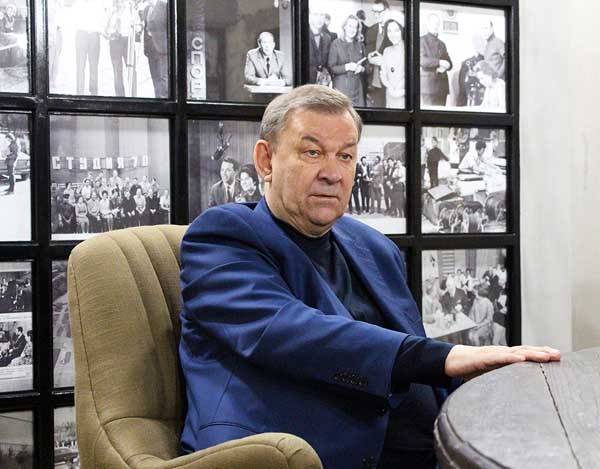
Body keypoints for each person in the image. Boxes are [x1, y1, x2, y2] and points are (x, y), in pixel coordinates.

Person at [179, 84, 560, 469]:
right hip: (305, 455)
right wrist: (447, 357)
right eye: (312, 152)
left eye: (345, 156)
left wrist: (498, 393)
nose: (332, 174)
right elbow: (290, 332)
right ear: (266, 161)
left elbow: (422, 366)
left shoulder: (374, 246)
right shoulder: (222, 237)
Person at [328, 15, 366, 107]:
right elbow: (331, 68)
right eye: (350, 26)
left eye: (355, 27)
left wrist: (362, 69)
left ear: (358, 29)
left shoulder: (360, 45)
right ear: (344, 27)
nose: (352, 29)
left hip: (357, 88)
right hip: (341, 88)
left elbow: (367, 66)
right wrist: (347, 67)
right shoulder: (336, 44)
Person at [420, 13, 452, 106]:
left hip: (442, 86)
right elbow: (422, 60)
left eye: (437, 23)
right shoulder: (421, 40)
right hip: (429, 86)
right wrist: (439, 62)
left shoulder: (442, 44)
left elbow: (449, 63)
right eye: (433, 23)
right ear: (428, 24)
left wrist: (447, 66)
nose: (435, 26)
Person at [364, 0, 390, 107]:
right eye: (374, 12)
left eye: (379, 12)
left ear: (387, 11)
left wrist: (384, 61)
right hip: (374, 83)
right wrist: (369, 58)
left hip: (391, 83)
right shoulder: (370, 31)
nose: (376, 15)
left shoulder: (395, 29)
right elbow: (367, 54)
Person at [142, 0, 169, 98]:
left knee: (163, 78)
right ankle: (157, 99)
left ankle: (164, 100)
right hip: (150, 50)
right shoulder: (146, 9)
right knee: (155, 78)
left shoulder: (164, 6)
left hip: (162, 50)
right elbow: (145, 29)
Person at [379, 18, 405, 108]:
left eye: (396, 30)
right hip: (390, 96)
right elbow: (383, 73)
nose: (392, 35)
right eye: (389, 31)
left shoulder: (410, 50)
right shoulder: (387, 51)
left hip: (405, 97)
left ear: (402, 31)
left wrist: (402, 91)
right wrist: (389, 87)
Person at [308, 11, 332, 86]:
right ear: (309, 17)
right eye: (315, 14)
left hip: (322, 85)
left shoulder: (327, 38)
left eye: (322, 15)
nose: (319, 18)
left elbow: (327, 63)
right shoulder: (301, 35)